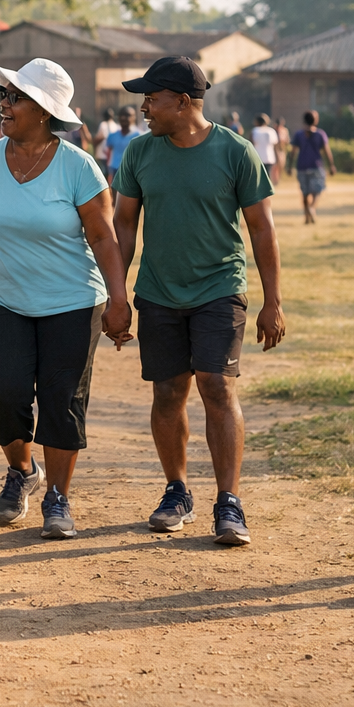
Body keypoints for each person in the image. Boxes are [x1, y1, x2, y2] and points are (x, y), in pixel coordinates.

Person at [0, 60, 133, 539]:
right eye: (4, 95)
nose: (4, 104)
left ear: (46, 111)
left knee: (61, 401)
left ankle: (59, 497)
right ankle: (23, 471)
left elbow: (104, 238)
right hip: (2, 299)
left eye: (16, 98)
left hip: (71, 301)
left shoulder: (78, 167)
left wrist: (119, 298)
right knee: (5, 398)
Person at [112, 57, 284, 546]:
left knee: (216, 385)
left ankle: (228, 502)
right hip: (159, 291)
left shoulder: (235, 151)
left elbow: (261, 229)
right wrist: (118, 294)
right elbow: (124, 225)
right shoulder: (139, 152)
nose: (144, 107)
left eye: (152, 98)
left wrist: (273, 301)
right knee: (167, 392)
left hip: (219, 287)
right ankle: (176, 490)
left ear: (183, 102)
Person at [292, 111, 335, 224]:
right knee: (317, 190)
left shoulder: (299, 134)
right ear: (315, 120)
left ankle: (307, 216)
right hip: (316, 166)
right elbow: (326, 151)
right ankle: (312, 208)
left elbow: (293, 152)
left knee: (305, 193)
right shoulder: (320, 134)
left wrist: (290, 165)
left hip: (302, 166)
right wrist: (331, 165)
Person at [103, 107, 140, 180]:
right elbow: (108, 153)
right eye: (121, 115)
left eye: (127, 115)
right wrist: (108, 171)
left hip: (132, 172)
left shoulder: (139, 136)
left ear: (134, 117)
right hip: (115, 171)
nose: (123, 118)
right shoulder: (112, 136)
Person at [250, 113, 280, 183]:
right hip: (269, 158)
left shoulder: (254, 131)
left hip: (257, 158)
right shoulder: (271, 131)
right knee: (267, 177)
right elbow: (275, 146)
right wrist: (278, 158)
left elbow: (250, 145)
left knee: (258, 178)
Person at [93, 108, 116, 176]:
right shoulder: (115, 125)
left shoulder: (103, 124)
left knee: (102, 172)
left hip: (102, 153)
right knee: (109, 172)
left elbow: (99, 137)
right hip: (110, 154)